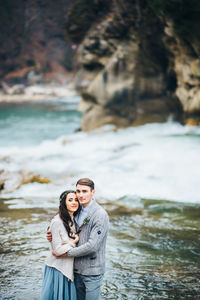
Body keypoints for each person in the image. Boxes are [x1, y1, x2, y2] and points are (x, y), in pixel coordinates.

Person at [47, 178, 109, 300]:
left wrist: (66, 253)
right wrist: (50, 232)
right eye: (78, 191)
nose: (80, 195)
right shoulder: (76, 209)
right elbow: (61, 220)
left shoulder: (100, 215)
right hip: (75, 269)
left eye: (84, 191)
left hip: (92, 270)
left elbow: (92, 246)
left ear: (93, 192)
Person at [41, 190, 81, 300]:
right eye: (70, 200)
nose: (74, 202)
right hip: (58, 268)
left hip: (67, 267)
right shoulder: (57, 221)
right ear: (64, 203)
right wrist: (74, 242)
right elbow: (57, 251)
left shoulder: (73, 218)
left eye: (76, 200)